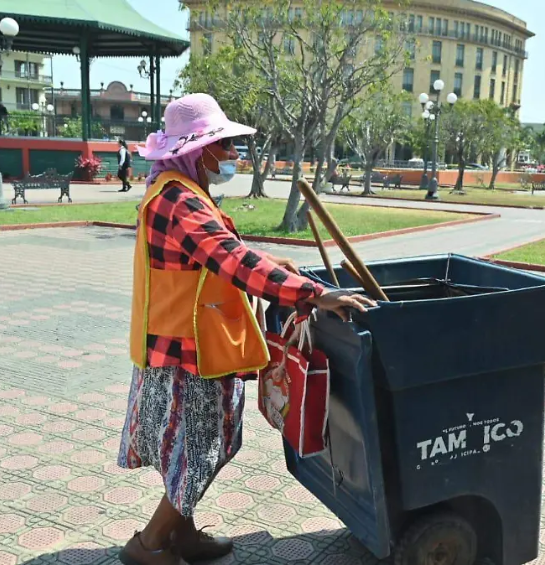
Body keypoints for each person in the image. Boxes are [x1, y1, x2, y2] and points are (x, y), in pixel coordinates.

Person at [116, 93, 374, 565]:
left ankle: (181, 534)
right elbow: (229, 258)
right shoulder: (177, 200)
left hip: (192, 345)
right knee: (201, 449)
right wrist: (314, 293)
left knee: (190, 449)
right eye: (225, 146)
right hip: (187, 354)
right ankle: (149, 544)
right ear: (198, 151)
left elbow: (218, 252)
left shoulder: (182, 191)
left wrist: (273, 262)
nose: (233, 155)